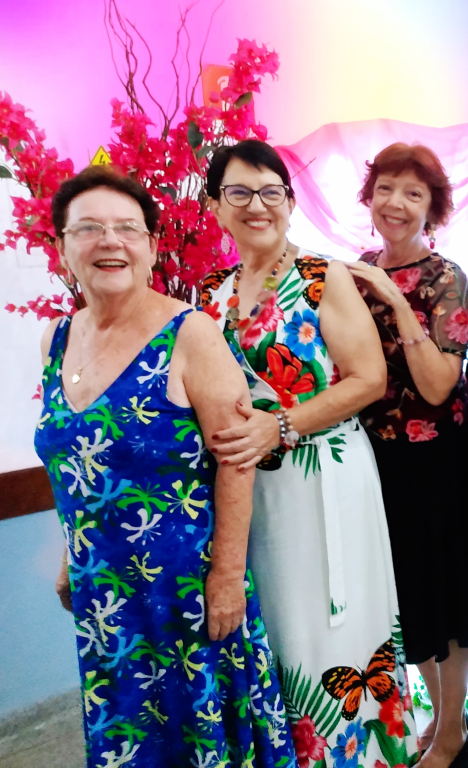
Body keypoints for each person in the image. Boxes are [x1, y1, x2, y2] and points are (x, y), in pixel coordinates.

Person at [35, 166, 297, 767]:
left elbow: (237, 461)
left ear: (152, 246)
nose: (110, 241)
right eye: (89, 228)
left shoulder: (191, 333)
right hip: (104, 593)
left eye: (127, 228)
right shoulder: (56, 339)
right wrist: (69, 555)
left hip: (186, 591)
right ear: (63, 247)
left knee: (201, 736)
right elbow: (75, 462)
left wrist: (227, 578)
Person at [200, 140, 418, 767]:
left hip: (323, 476)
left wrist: (282, 426)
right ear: (215, 207)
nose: (257, 205)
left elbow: (369, 378)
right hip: (246, 489)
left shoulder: (324, 277)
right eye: (239, 192)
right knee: (274, 625)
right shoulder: (209, 292)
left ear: (290, 203)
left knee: (326, 625)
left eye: (271, 191)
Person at [347, 143, 468, 768]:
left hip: (436, 462)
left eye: (413, 193)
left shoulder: (446, 278)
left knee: (444, 594)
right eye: (385, 188)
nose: (395, 203)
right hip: (372, 460)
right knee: (405, 596)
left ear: (433, 208)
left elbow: (436, 386)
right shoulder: (351, 273)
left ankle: (451, 729)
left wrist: (396, 299)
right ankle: (441, 718)